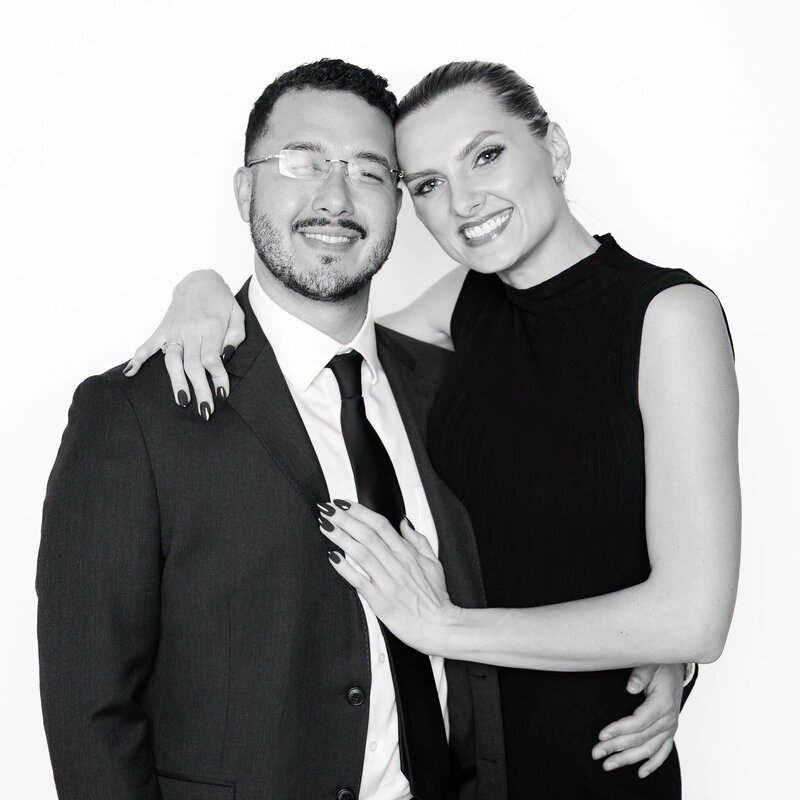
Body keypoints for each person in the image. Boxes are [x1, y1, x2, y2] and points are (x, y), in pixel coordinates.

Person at [36, 59, 679, 800]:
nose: (334, 198)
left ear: (399, 208)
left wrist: (662, 651)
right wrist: (200, 282)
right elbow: (90, 712)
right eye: (302, 162)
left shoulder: (447, 386)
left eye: (370, 173)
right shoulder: (135, 415)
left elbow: (550, 552)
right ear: (246, 190)